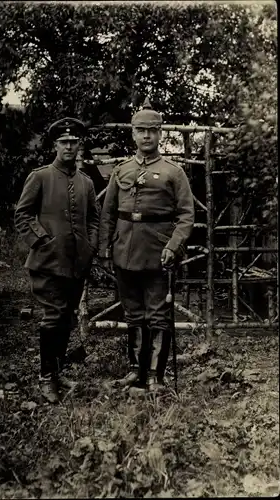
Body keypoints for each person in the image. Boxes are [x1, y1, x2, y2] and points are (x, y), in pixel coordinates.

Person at [98, 98, 195, 393]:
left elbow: (186, 215)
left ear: (160, 134)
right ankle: (134, 371)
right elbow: (109, 212)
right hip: (125, 251)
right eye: (141, 130)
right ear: (133, 134)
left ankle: (155, 375)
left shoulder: (173, 172)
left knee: (157, 314)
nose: (146, 136)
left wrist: (173, 246)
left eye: (152, 131)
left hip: (157, 253)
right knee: (132, 314)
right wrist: (105, 249)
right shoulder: (122, 170)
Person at [15, 117, 99, 403]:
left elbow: (95, 220)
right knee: (53, 317)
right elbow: (22, 214)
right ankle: (46, 377)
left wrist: (91, 245)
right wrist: (42, 241)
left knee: (65, 319)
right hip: (48, 263)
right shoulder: (40, 177)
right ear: (54, 145)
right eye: (64, 142)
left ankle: (59, 371)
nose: (69, 147)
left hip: (77, 263)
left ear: (79, 145)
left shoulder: (85, 182)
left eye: (74, 142)